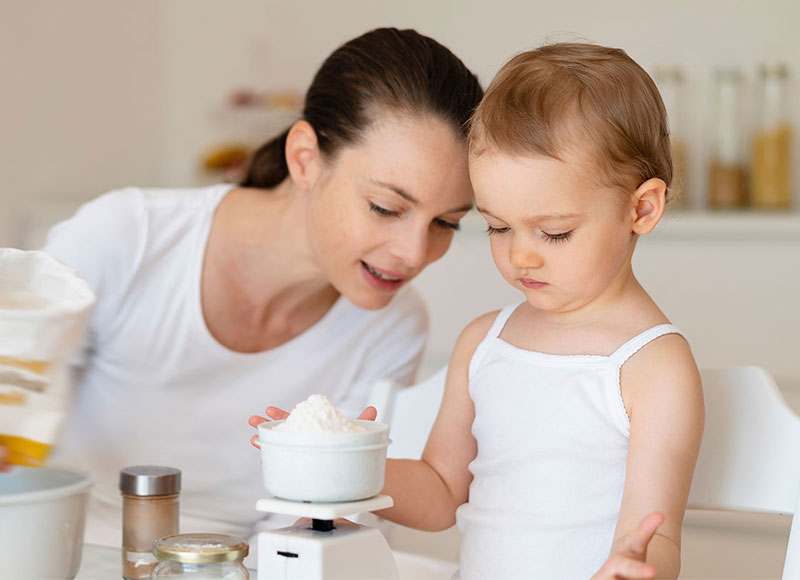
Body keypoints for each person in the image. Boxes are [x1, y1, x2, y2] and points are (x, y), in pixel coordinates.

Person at [257, 43, 704, 578]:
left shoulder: (653, 366)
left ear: (642, 208)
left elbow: (656, 536)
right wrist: (338, 458)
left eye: (554, 232)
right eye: (497, 227)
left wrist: (637, 564)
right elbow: (442, 491)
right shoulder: (484, 343)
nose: (520, 255)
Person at [23, 27, 482, 545]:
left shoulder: (392, 324)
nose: (415, 253)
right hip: (63, 550)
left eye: (447, 222)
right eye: (386, 208)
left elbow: (305, 528)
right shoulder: (129, 237)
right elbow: (15, 384)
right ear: (305, 158)